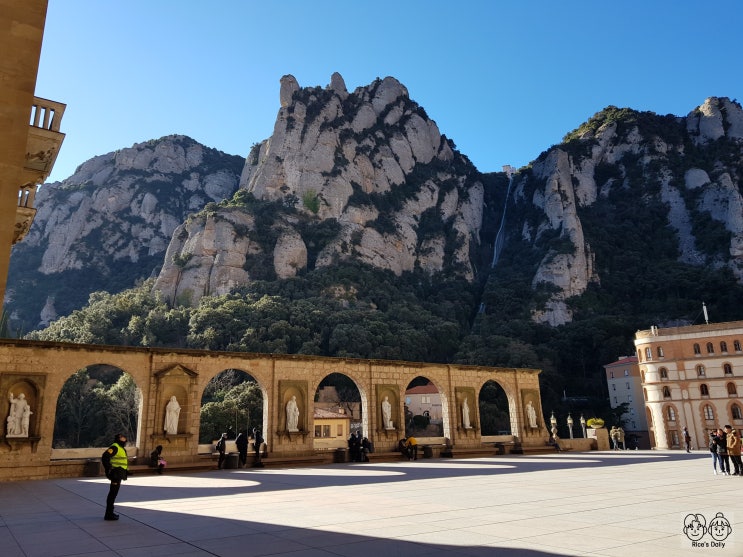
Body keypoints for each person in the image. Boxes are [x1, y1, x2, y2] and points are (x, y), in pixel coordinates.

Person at [101, 433, 128, 520]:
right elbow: (105, 456)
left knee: (113, 494)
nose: (125, 439)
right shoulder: (115, 447)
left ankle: (110, 513)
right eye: (123, 438)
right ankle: (109, 514)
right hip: (115, 474)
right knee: (112, 494)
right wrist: (108, 468)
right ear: (118, 439)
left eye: (125, 438)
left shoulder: (121, 448)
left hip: (118, 474)